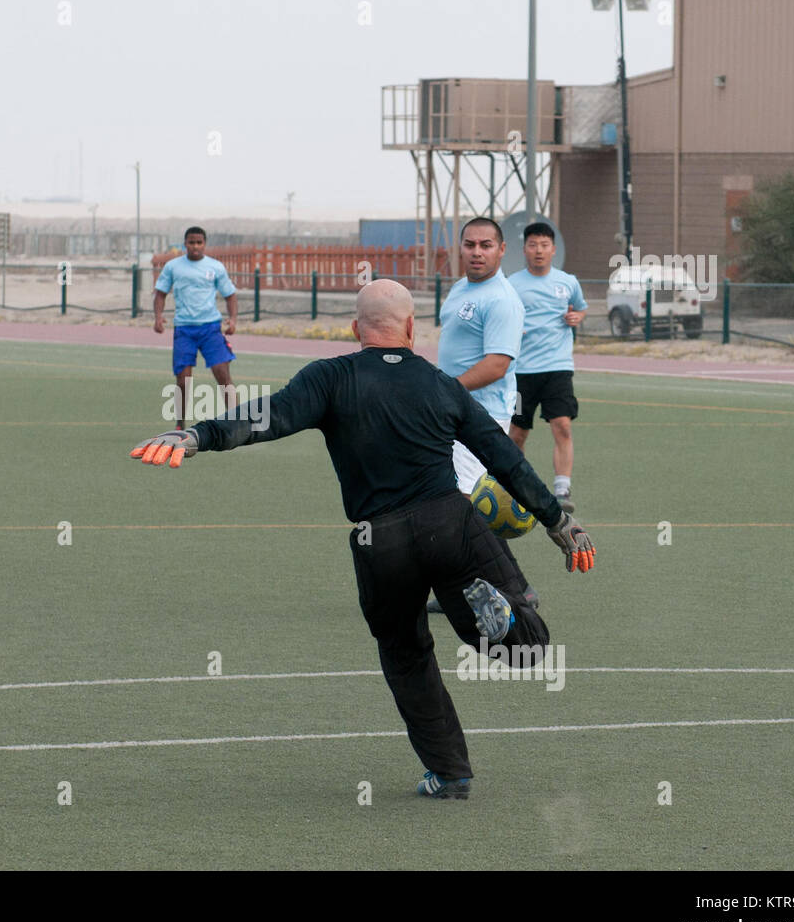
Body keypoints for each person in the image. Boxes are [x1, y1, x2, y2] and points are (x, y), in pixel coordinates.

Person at [129, 279, 594, 798]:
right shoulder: (442, 386)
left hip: (381, 542)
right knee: (528, 651)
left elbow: (266, 417)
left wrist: (197, 435)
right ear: (413, 329)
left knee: (406, 654)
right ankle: (503, 623)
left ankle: (450, 773)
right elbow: (505, 460)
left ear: (355, 329)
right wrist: (558, 522)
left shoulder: (331, 377)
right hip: (449, 523)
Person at [430, 217, 537, 612]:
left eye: (486, 245)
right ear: (461, 247)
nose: (477, 252)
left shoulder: (502, 299)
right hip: (453, 410)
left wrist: (446, 390)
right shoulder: (460, 289)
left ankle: (513, 588)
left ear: (501, 249)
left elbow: (497, 364)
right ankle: (498, 585)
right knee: (457, 501)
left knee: (456, 502)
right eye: (470, 244)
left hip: (480, 415)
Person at [507, 221, 587, 513]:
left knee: (562, 426)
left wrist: (577, 317)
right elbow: (502, 315)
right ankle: (518, 486)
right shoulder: (512, 284)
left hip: (557, 368)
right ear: (525, 249)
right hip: (520, 372)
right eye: (533, 245)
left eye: (544, 245)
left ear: (553, 250)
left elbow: (580, 307)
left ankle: (562, 490)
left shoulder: (567, 282)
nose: (538, 251)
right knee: (517, 433)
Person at [153, 227, 238, 428]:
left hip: (210, 329)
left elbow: (230, 295)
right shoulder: (173, 267)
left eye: (199, 242)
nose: (195, 246)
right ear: (185, 244)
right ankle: (180, 425)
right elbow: (160, 294)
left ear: (205, 244)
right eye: (191, 242)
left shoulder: (216, 267)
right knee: (183, 380)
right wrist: (158, 317)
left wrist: (233, 320)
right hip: (184, 330)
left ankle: (237, 422)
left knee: (222, 373)